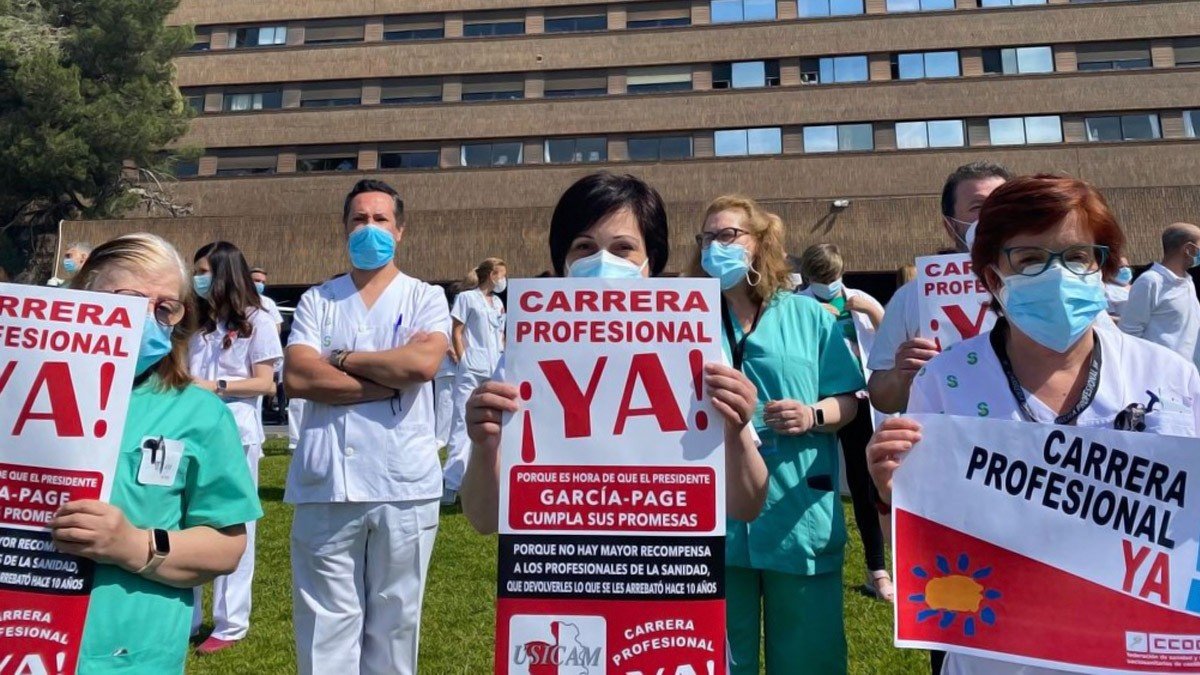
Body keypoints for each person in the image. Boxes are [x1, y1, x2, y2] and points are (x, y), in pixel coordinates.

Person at [867, 175, 1200, 675]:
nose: (1056, 275)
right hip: (993, 655)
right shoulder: (946, 380)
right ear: (993, 278)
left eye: (1076, 257)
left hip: (1133, 651)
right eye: (1028, 261)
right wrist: (897, 493)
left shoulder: (1171, 377)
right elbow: (930, 554)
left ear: (1103, 266)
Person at [460, 171, 768, 533]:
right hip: (555, 574)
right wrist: (485, 447)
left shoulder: (697, 350)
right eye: (584, 247)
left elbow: (746, 506)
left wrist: (736, 431)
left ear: (649, 261)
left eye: (623, 247)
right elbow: (484, 520)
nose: (602, 261)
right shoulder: (525, 358)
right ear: (564, 263)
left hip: (666, 571)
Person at [54, 233, 261, 673]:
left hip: (131, 654)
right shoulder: (17, 395)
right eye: (128, 301)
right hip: (21, 636)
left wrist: (133, 545)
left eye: (165, 308)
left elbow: (226, 548)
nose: (146, 319)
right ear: (82, 297)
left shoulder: (199, 414)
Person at [283, 179, 450, 675]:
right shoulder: (318, 300)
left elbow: (421, 365)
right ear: (344, 228)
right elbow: (297, 375)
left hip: (403, 484)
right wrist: (379, 380)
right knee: (323, 624)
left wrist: (340, 359)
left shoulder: (425, 297)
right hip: (326, 483)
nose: (370, 228)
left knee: (396, 621)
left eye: (380, 219)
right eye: (359, 219)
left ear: (400, 230)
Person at [693, 196, 864, 675]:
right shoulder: (687, 320)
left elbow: (849, 399)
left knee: (808, 656)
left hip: (798, 508)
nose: (714, 247)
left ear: (761, 243)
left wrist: (813, 414)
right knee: (720, 656)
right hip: (718, 511)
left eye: (727, 236)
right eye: (707, 238)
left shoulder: (810, 316)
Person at [187, 242, 283, 654]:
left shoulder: (257, 320)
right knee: (184, 522)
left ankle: (230, 622)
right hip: (189, 431)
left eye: (205, 271)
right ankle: (187, 616)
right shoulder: (195, 320)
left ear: (225, 273)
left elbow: (265, 382)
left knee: (233, 525)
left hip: (236, 432)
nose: (199, 278)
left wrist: (216, 386)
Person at [868, 162, 1013, 415]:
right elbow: (882, 398)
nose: (992, 216)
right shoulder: (911, 297)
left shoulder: (1043, 286)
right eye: (978, 208)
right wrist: (901, 375)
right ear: (950, 225)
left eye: (1002, 205)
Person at [796, 243, 892, 602]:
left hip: (858, 400)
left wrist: (873, 311)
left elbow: (888, 346)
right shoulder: (795, 304)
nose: (829, 285)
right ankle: (809, 562)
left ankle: (877, 571)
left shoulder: (860, 300)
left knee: (864, 485)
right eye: (821, 279)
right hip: (815, 403)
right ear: (808, 277)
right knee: (813, 482)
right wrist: (812, 314)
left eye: (833, 277)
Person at [441, 258, 507, 505]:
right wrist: (462, 357)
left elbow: (500, 334)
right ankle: (451, 483)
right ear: (492, 275)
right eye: (502, 275)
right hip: (471, 367)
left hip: (494, 365)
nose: (503, 280)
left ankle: (489, 482)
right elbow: (456, 330)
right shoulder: (467, 298)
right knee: (461, 423)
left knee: (493, 425)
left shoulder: (498, 303)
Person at [1120, 222, 1200, 372]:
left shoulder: (1187, 282)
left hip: (1188, 375)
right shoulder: (1151, 282)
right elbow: (1129, 332)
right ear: (1188, 249)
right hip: (1161, 375)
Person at [1103, 254, 1132, 322]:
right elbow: (1107, 317)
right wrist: (1128, 321)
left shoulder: (1136, 286)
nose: (1125, 269)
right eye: (1121, 267)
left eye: (1127, 266)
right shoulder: (1106, 291)